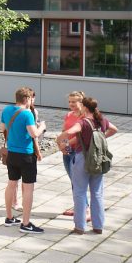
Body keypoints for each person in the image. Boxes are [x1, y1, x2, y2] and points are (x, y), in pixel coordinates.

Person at [56, 96, 117, 235]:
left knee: (79, 192)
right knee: (97, 193)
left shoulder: (83, 122)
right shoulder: (101, 120)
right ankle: (98, 226)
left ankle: (80, 226)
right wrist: (102, 138)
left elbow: (68, 132)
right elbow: (114, 129)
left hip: (82, 159)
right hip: (98, 159)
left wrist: (61, 141)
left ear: (84, 107)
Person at [0, 87, 47, 233]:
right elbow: (34, 134)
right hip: (26, 155)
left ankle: (9, 217)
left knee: (11, 184)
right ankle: (26, 223)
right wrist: (42, 127)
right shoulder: (27, 114)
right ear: (26, 99)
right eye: (31, 99)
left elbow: (2, 128)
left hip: (12, 153)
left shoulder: (6, 110)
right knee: (28, 189)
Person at [59, 91, 88, 220]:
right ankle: (78, 207)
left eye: (74, 102)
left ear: (81, 102)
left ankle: (85, 209)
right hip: (68, 151)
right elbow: (64, 131)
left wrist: (66, 144)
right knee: (73, 180)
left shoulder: (85, 117)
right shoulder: (69, 115)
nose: (71, 104)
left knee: (78, 182)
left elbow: (81, 136)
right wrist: (63, 146)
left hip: (79, 152)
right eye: (69, 101)